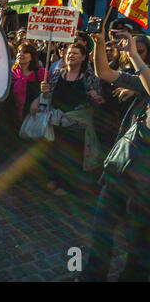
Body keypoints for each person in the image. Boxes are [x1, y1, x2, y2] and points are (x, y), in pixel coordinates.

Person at [80, 24, 150, 281]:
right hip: (123, 165)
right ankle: (93, 275)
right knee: (101, 227)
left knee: (140, 243)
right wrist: (98, 43)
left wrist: (133, 55)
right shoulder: (145, 78)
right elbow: (105, 72)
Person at [39, 43, 104, 196]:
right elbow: (48, 97)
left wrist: (96, 97)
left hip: (77, 125)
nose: (71, 55)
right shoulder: (56, 74)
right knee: (57, 155)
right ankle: (57, 182)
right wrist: (45, 92)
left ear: (83, 57)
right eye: (69, 53)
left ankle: (71, 188)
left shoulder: (89, 77)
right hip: (58, 122)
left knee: (74, 157)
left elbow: (97, 101)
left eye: (75, 53)